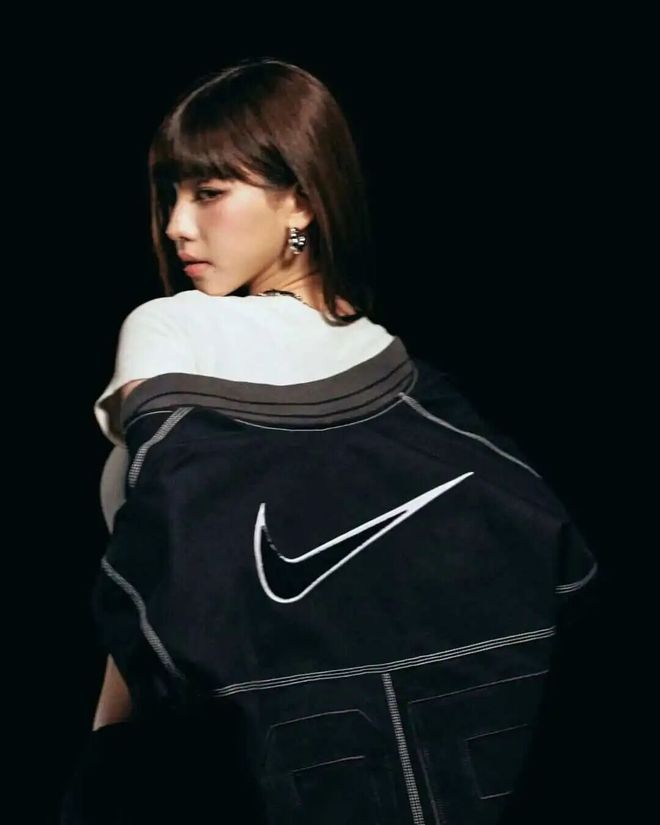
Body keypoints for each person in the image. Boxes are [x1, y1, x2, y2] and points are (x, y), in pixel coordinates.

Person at [61, 57, 600, 824]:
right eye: (171, 194)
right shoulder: (412, 388)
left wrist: (97, 767)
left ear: (303, 199)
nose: (177, 224)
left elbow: (168, 577)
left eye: (209, 192)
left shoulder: (172, 326)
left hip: (217, 771)